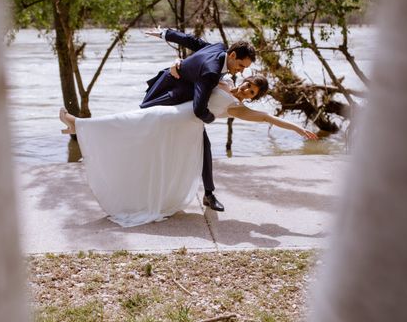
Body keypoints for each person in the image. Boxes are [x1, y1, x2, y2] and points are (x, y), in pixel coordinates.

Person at [59, 75, 318, 228]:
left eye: (252, 92)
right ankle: (78, 128)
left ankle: (78, 126)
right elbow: (200, 70)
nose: (247, 90)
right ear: (246, 79)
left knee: (133, 132)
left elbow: (267, 118)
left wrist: (296, 128)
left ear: (252, 97)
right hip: (172, 114)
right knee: (128, 123)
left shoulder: (238, 108)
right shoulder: (224, 82)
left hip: (179, 127)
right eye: (249, 84)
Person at [141, 27, 255, 212]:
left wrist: (165, 34)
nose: (241, 71)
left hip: (183, 100)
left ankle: (208, 194)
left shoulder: (220, 49)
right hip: (169, 95)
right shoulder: (212, 71)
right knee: (141, 123)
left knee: (205, 147)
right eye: (241, 66)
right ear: (233, 55)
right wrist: (212, 117)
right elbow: (199, 109)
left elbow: (192, 41)